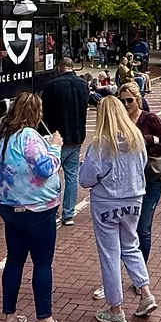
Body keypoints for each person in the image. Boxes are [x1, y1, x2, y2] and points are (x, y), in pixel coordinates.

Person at [0, 92, 72, 322]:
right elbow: (46, 168)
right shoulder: (28, 136)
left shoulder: (2, 135)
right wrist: (55, 145)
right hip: (37, 209)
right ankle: (45, 321)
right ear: (35, 112)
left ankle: (10, 318)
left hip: (9, 208)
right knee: (42, 263)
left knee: (14, 260)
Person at [80, 96, 159, 322]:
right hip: (134, 200)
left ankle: (115, 309)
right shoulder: (136, 139)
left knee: (110, 253)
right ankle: (145, 292)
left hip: (107, 202)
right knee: (131, 246)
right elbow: (143, 165)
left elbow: (86, 179)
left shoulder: (101, 144)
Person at [117, 82, 161, 264]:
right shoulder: (120, 122)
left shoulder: (149, 119)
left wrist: (145, 141)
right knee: (125, 230)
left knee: (143, 228)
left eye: (130, 101)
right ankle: (127, 269)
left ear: (138, 100)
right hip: (126, 183)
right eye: (122, 101)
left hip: (149, 181)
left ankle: (141, 273)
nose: (126, 105)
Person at [41, 58, 90, 227]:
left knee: (52, 176)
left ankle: (53, 210)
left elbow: (45, 114)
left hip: (57, 137)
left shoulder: (51, 86)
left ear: (59, 67)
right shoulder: (83, 84)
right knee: (71, 177)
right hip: (77, 136)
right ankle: (68, 214)